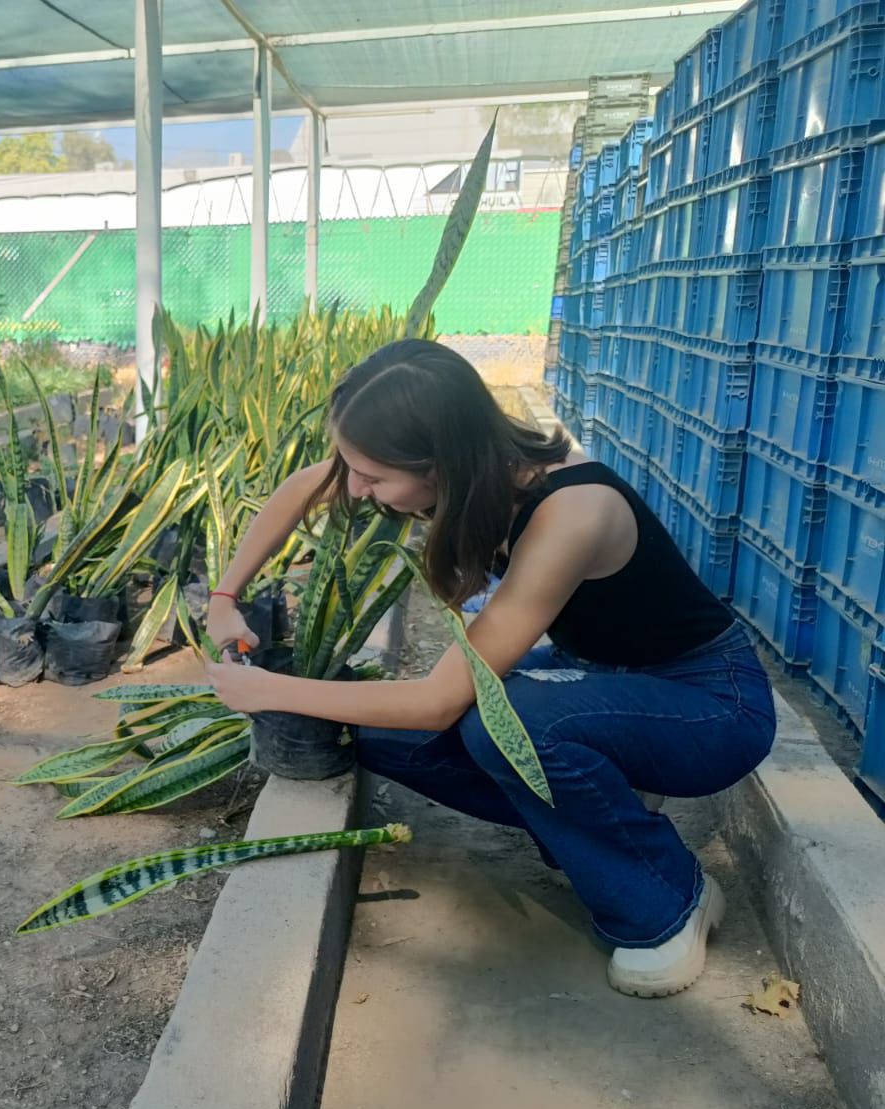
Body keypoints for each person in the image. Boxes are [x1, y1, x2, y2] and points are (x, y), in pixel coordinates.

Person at [203, 339, 775, 998]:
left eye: (373, 476)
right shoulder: (460, 474)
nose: (355, 489)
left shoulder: (571, 511)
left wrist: (269, 688)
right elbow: (307, 487)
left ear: (440, 463)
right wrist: (225, 598)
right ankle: (606, 818)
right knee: (366, 731)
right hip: (599, 677)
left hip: (710, 703)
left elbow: (440, 701)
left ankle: (668, 902)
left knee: (507, 727)